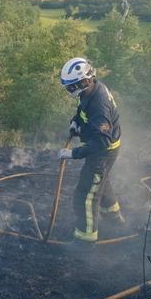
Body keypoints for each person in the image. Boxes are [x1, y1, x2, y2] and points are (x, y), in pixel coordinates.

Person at [57, 56, 123, 243]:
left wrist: (74, 153)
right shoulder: (91, 89)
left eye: (71, 87)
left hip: (102, 154)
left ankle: (85, 240)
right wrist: (76, 122)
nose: (70, 91)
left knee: (85, 196)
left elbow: (102, 141)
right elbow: (83, 110)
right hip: (103, 151)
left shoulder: (99, 105)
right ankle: (114, 220)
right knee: (101, 184)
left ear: (84, 81)